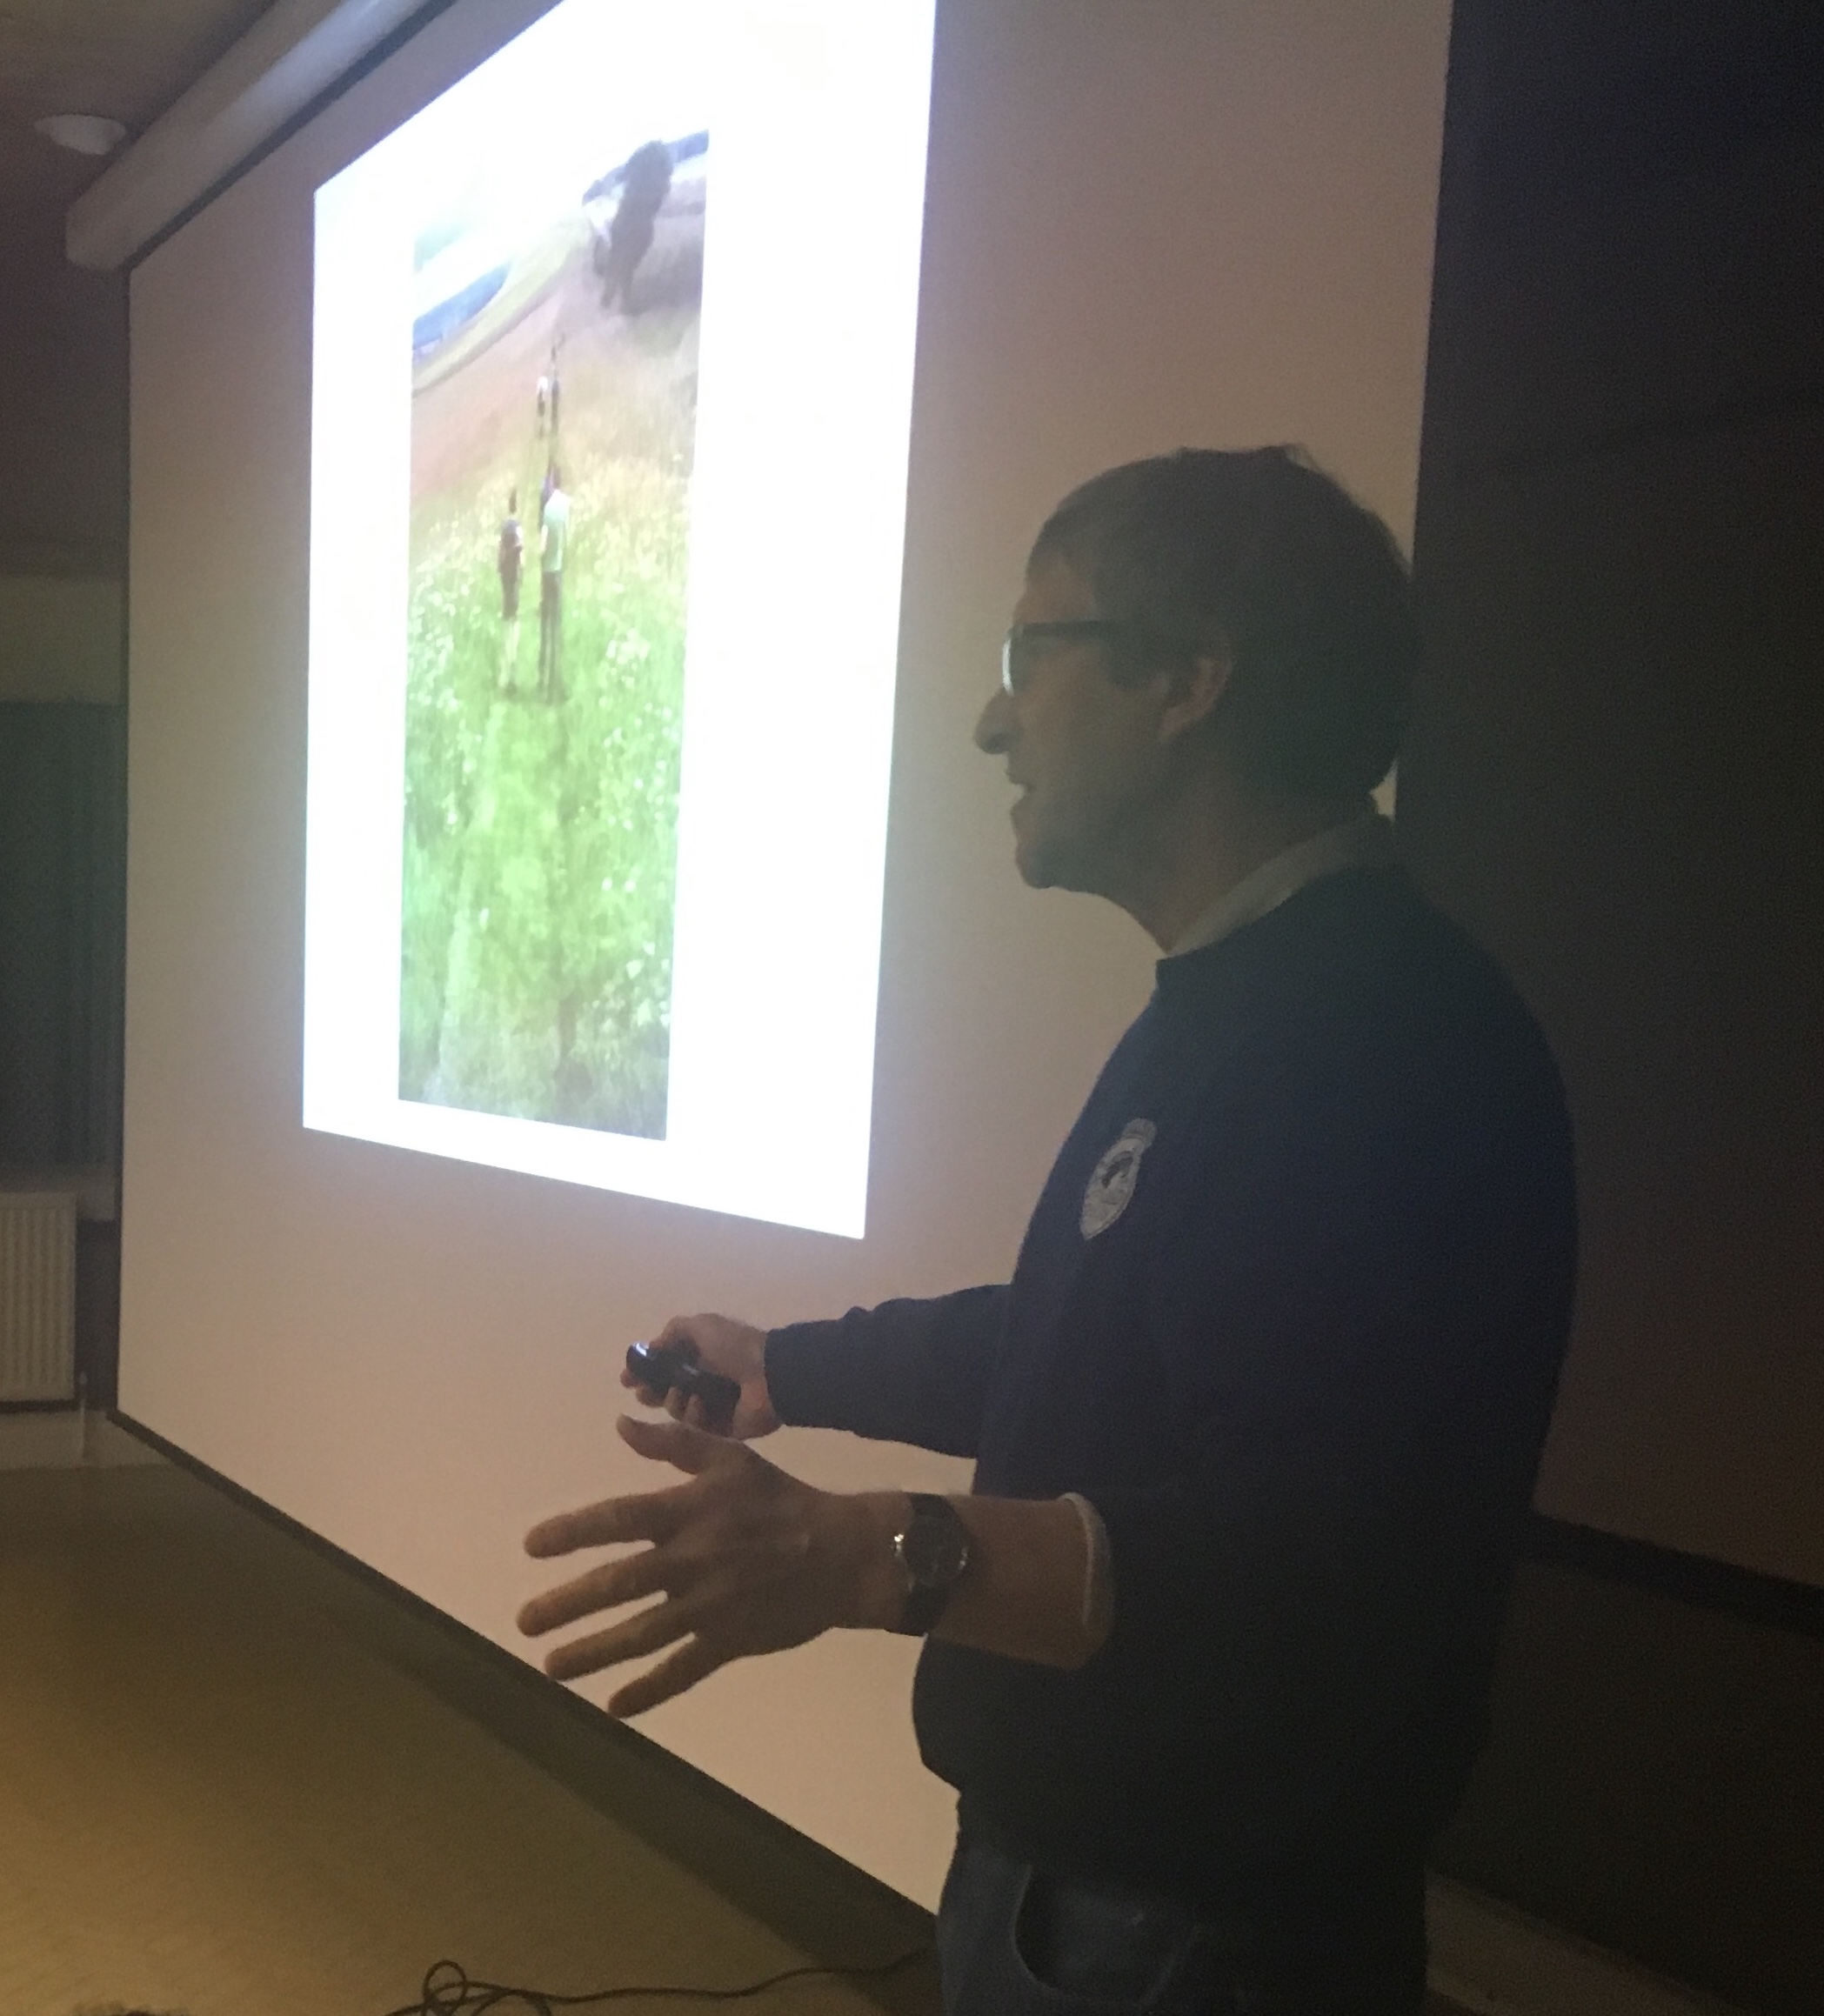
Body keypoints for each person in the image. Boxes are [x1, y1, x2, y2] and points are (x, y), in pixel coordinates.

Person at [518, 448, 1577, 2015]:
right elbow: (1097, 1330)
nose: (992, 716)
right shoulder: (1257, 996)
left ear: (1186, 681)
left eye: (1033, 653)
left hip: (1192, 1941)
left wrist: (851, 1547)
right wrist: (787, 1366)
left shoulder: (1375, 1041)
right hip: (1099, 1905)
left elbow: (1313, 1556)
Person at [538, 469, 570, 702]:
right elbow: (566, 535)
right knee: (557, 628)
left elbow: (542, 543)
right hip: (558, 572)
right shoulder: (566, 504)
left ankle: (542, 679)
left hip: (546, 573)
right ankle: (555, 684)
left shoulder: (548, 508)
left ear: (551, 483)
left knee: (545, 629)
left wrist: (542, 558)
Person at [497, 487, 524, 693]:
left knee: (506, 619)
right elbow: (521, 558)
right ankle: (510, 674)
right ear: (518, 505)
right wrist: (521, 575)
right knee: (514, 623)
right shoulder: (518, 528)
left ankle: (503, 674)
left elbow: (500, 554)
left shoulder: (505, 527)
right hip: (514, 578)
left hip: (505, 577)